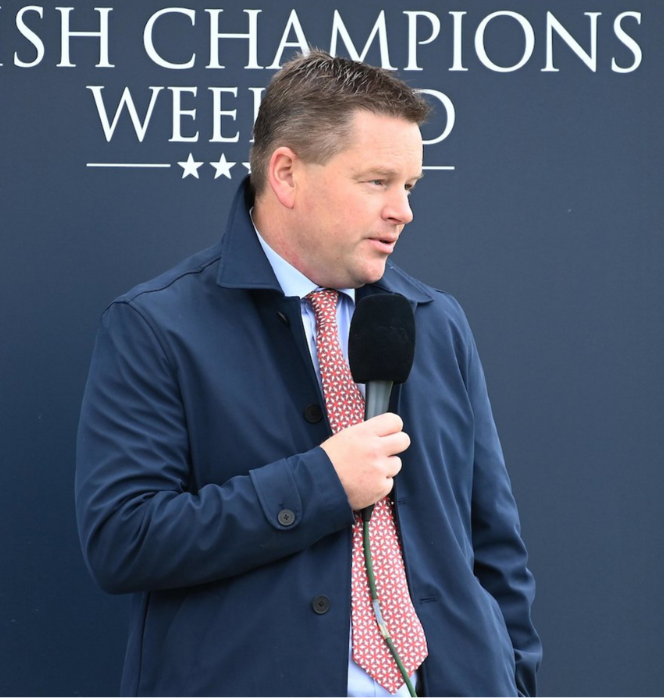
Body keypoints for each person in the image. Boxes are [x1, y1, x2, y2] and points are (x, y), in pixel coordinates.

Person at [76, 50, 542, 697]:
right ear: (287, 174)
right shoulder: (157, 325)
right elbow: (124, 539)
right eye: (377, 182)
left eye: (410, 186)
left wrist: (513, 680)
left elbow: (494, 542)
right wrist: (321, 482)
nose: (403, 210)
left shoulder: (436, 321)